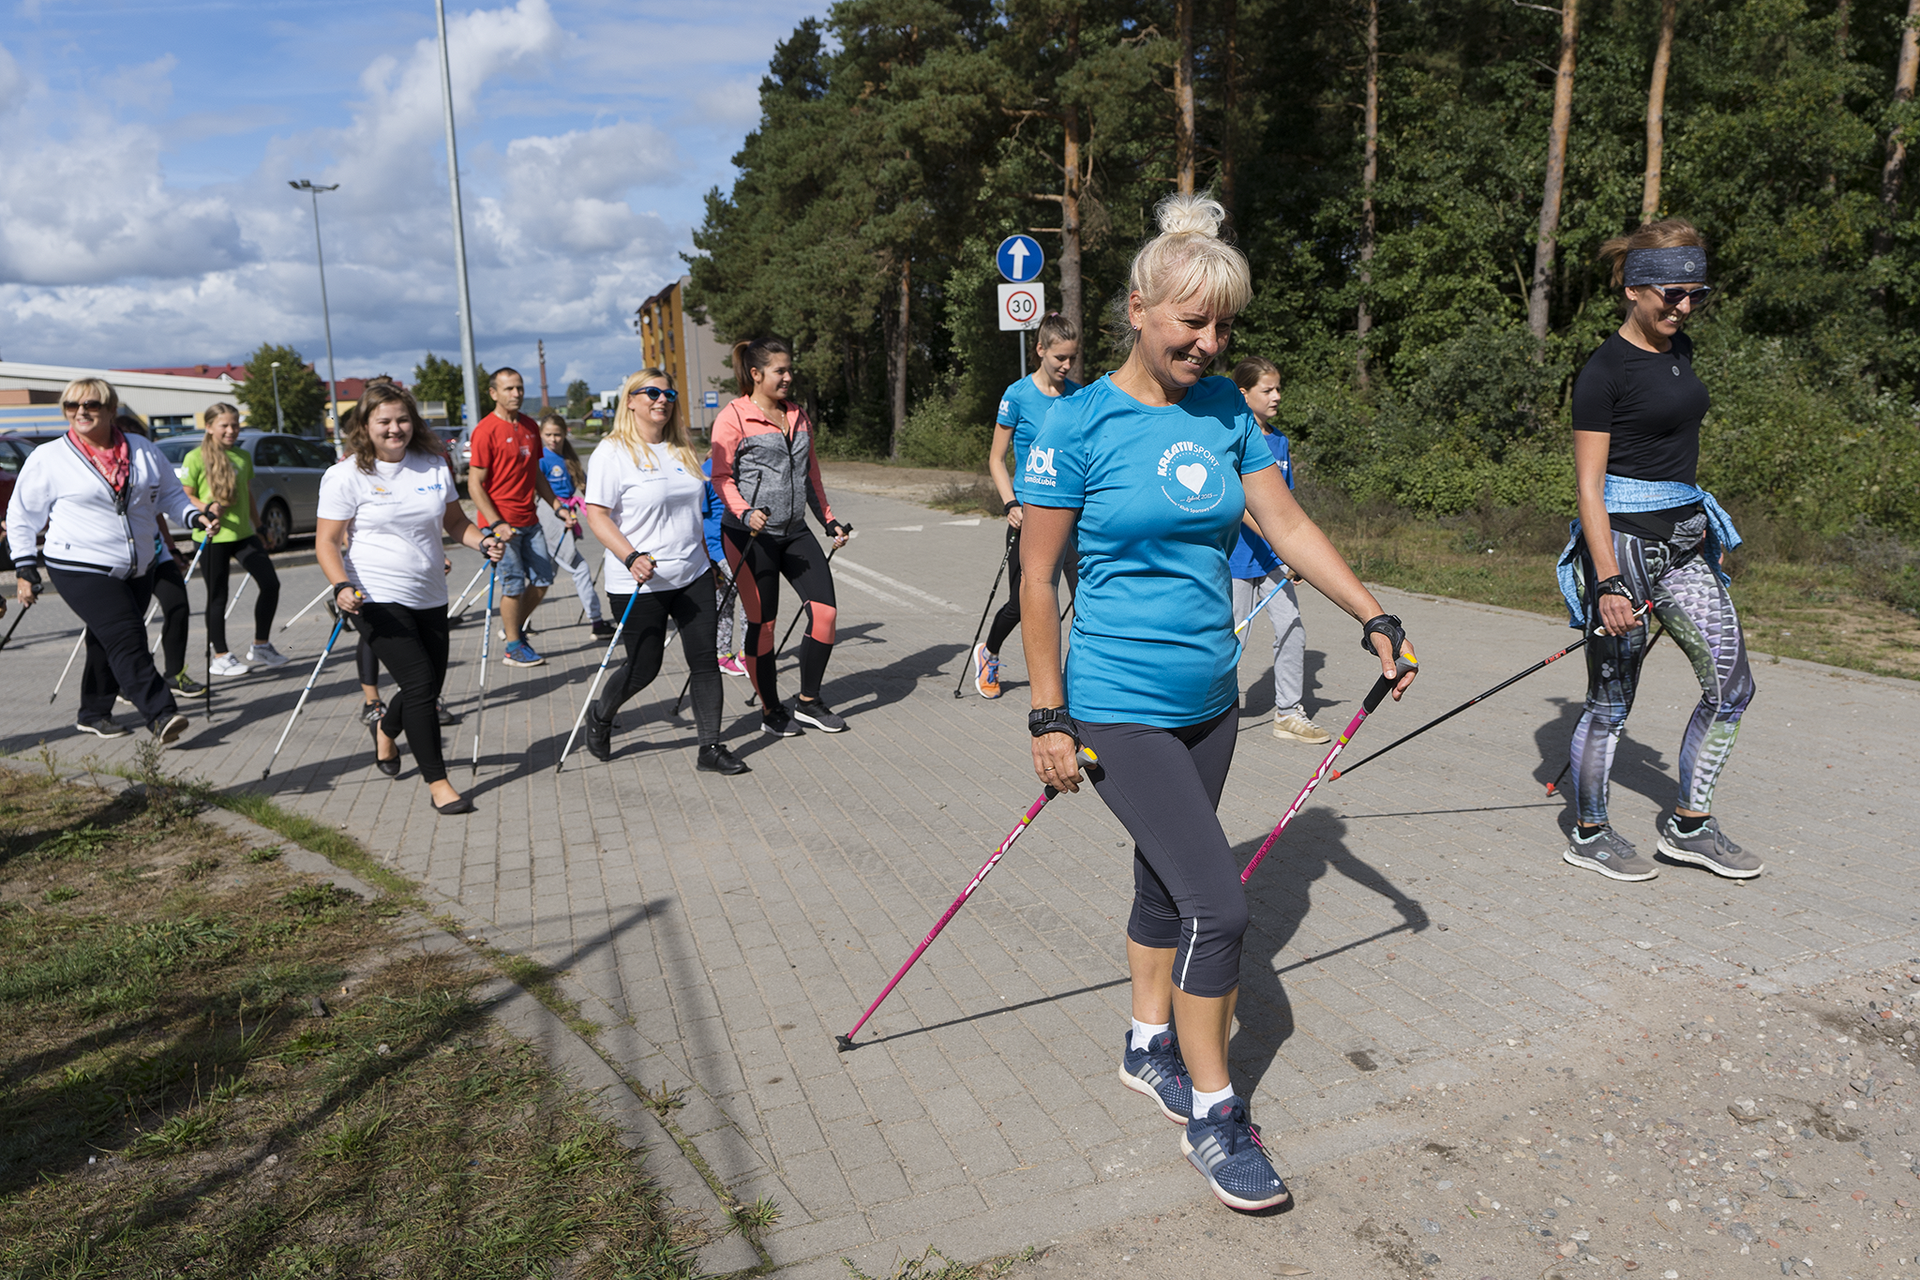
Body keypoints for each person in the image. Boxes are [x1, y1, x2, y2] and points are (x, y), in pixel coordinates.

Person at [1019, 193, 1417, 1212]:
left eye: (1223, 326)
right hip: (1116, 701)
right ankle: (1213, 1111)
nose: (1208, 342)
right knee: (1222, 905)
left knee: (1165, 883)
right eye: (1191, 321)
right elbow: (1038, 579)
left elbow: (1286, 524)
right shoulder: (1074, 423)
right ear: (1138, 309)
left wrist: (1371, 613)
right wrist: (1048, 717)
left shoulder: (1228, 413)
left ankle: (1145, 1044)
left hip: (1207, 701)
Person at [1557, 219, 1759, 883]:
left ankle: (1689, 827)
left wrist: (1701, 531)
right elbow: (1589, 487)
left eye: (1698, 294)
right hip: (1623, 546)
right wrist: (1608, 581)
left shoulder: (1681, 349)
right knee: (1611, 701)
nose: (1686, 307)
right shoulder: (1603, 371)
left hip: (1684, 542)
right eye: (1674, 295)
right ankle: (1589, 832)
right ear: (1634, 289)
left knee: (1733, 687)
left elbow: (1674, 454)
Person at [316, 383, 502, 815]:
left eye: (402, 420)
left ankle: (387, 727)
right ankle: (439, 783)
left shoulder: (432, 464)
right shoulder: (345, 475)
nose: (394, 428)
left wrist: (483, 540)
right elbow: (326, 542)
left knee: (428, 684)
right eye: (384, 421)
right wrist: (341, 586)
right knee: (420, 687)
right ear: (365, 426)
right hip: (374, 595)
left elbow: (455, 522)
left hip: (430, 592)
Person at [5, 378, 222, 741]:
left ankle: (93, 713)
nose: (80, 412)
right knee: (127, 635)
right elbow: (22, 514)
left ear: (110, 409)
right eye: (71, 406)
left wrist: (194, 516)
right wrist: (24, 565)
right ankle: (161, 713)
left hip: (138, 565)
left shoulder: (142, 449)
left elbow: (170, 495)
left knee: (106, 639)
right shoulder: (49, 457)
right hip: (78, 565)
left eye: (90, 405)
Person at [580, 369, 748, 775]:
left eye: (668, 394)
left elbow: (696, 512)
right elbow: (597, 515)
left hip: (692, 574)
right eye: (652, 393)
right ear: (630, 400)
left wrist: (709, 558)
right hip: (638, 580)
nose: (662, 400)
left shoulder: (681, 447)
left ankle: (710, 747)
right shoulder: (611, 452)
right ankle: (600, 716)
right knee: (644, 667)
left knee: (705, 660)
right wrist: (630, 556)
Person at [710, 338, 852, 737]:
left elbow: (810, 475)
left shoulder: (799, 415)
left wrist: (829, 520)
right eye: (780, 371)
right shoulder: (734, 418)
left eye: (790, 369)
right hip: (749, 536)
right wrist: (744, 511)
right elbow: (721, 477)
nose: (789, 377)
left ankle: (808, 702)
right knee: (764, 624)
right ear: (756, 374)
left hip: (794, 532)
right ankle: (771, 709)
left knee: (825, 614)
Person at [974, 313, 1081, 699]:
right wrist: (1010, 504)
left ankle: (1081, 679)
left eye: (1072, 358)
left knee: (1087, 598)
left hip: (1073, 515)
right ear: (1040, 350)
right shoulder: (1017, 395)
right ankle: (989, 653)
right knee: (1022, 604)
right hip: (1029, 515)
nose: (1067, 366)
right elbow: (996, 459)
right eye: (1060, 358)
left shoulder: (1078, 395)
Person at [1227, 357, 1329, 745]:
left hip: (1272, 561)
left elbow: (1285, 507)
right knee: (1232, 639)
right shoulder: (1233, 438)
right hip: (1236, 559)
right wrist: (1280, 544)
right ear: (1244, 394)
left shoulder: (1280, 441)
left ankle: (1288, 712)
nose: (1276, 396)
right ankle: (1208, 712)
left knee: (1292, 628)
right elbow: (1242, 504)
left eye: (1278, 389)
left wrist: (1296, 551)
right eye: (1267, 390)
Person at [468, 367, 575, 667]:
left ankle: (512, 629)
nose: (516, 394)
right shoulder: (485, 430)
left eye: (519, 388)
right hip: (500, 524)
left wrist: (558, 507)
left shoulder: (529, 426)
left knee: (543, 579)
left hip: (529, 519)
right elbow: (474, 485)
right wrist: (496, 523)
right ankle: (513, 646)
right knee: (513, 585)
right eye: (508, 389)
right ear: (494, 393)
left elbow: (537, 475)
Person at [181, 402, 288, 676]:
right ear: (209, 427)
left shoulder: (242, 456)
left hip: (243, 535)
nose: (231, 430)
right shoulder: (195, 457)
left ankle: (261, 645)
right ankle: (220, 655)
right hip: (212, 536)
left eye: (235, 425)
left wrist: (260, 526)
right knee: (218, 596)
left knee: (270, 584)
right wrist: (206, 507)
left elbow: (247, 493)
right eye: (225, 426)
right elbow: (186, 495)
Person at [538, 412, 614, 639]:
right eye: (548, 435)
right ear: (541, 434)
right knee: (578, 568)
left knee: (544, 574)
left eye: (557, 434)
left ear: (564, 434)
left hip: (567, 515)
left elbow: (587, 487)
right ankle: (596, 621)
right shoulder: (541, 459)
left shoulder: (569, 457)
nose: (553, 439)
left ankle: (518, 624)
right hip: (551, 516)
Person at [702, 455, 746, 677]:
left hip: (740, 544)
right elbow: (698, 515)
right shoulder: (706, 471)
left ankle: (723, 654)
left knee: (726, 599)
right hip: (718, 547)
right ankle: (747, 655)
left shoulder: (742, 466)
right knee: (750, 593)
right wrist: (708, 557)